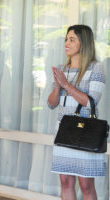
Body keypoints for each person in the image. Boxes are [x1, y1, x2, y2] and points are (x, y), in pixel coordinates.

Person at [48, 25, 106, 200]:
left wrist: (66, 85)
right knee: (65, 181)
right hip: (64, 130)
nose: (67, 43)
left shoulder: (96, 68)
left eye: (72, 39)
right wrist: (58, 87)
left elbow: (91, 102)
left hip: (85, 132)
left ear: (84, 42)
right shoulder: (62, 68)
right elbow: (51, 104)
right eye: (66, 39)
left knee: (86, 185)